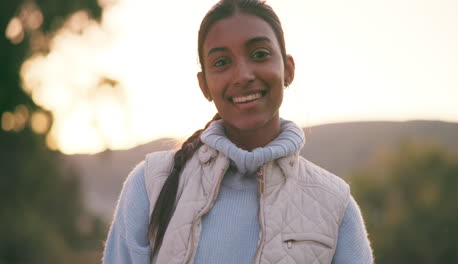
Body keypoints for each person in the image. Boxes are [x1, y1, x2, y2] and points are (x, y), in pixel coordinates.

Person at [102, 0, 374, 263]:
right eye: (221, 62)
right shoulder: (151, 184)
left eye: (259, 54)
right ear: (204, 85)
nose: (243, 75)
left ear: (288, 69)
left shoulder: (334, 204)